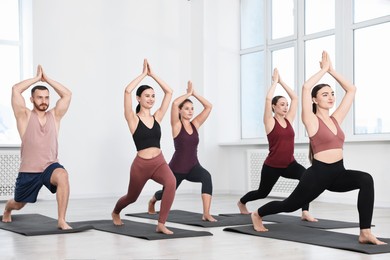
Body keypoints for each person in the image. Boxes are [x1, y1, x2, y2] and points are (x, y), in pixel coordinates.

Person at [251, 51, 386, 245]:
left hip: (338, 172)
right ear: (315, 100)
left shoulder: (336, 119)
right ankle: (258, 213)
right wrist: (322, 70)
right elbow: (306, 88)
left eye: (332, 94)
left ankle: (365, 232)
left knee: (366, 180)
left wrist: (331, 70)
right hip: (318, 175)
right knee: (289, 205)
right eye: (325, 94)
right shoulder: (311, 120)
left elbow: (352, 89)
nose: (331, 97)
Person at [238, 68, 316, 222]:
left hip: (290, 164)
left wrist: (281, 81)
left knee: (307, 178)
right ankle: (241, 202)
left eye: (286, 105)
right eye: (282, 104)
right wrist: (274, 82)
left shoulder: (289, 120)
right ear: (274, 107)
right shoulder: (269, 121)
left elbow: (295, 98)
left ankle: (305, 211)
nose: (286, 107)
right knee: (262, 192)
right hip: (272, 166)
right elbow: (267, 99)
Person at [2, 65, 72, 230]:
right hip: (29, 171)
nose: (44, 101)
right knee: (18, 204)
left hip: (50, 166)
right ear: (32, 99)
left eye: (46, 98)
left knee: (62, 175)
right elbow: (15, 90)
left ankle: (61, 220)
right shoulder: (24, 116)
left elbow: (67, 94)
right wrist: (36, 78)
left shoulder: (54, 116)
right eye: (39, 97)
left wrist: (47, 79)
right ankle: (7, 208)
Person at [111, 59, 176, 235]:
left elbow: (169, 92)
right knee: (131, 197)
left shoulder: (158, 117)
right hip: (141, 166)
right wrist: (142, 75)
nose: (151, 99)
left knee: (171, 183)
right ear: (139, 98)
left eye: (153, 96)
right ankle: (116, 211)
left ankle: (161, 223)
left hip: (159, 163)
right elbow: (127, 91)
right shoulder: (132, 119)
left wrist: (152, 74)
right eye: (147, 96)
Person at [148, 81, 216, 222]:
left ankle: (206, 213)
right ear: (180, 111)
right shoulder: (176, 125)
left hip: (193, 167)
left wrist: (195, 93)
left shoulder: (195, 124)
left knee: (206, 177)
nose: (190, 111)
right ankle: (153, 200)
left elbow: (209, 106)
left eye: (192, 108)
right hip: (176, 169)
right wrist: (188, 93)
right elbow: (173, 104)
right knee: (166, 193)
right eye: (186, 108)